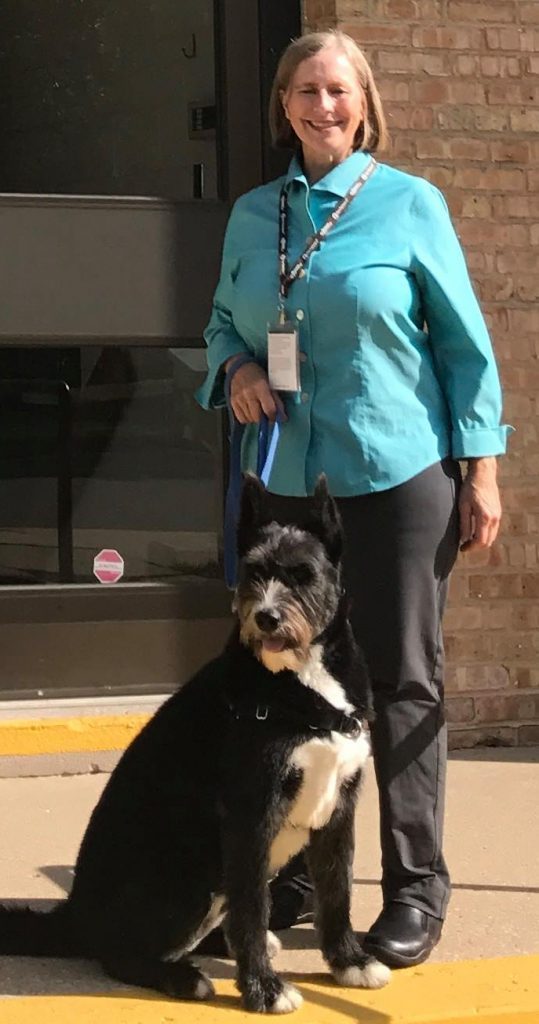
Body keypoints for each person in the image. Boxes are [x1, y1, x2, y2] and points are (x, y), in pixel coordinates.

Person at [195, 30, 512, 968]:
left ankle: (414, 889)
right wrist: (238, 364)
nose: (320, 105)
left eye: (336, 90)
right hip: (287, 478)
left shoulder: (409, 204)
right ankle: (289, 873)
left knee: (402, 684)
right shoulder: (255, 215)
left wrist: (481, 469)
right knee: (280, 684)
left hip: (397, 477)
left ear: (363, 102)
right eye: (303, 90)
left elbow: (464, 347)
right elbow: (218, 322)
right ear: (283, 105)